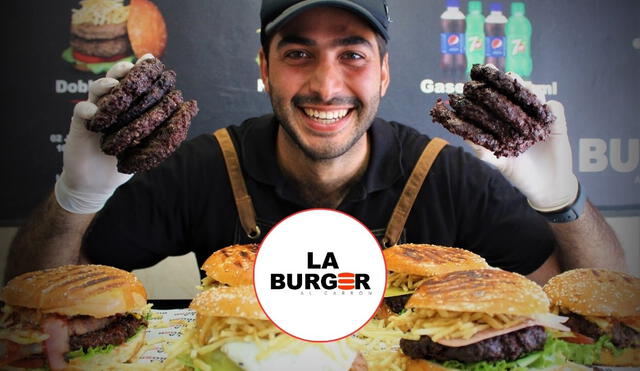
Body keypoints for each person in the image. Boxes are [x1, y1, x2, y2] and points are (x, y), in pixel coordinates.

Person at [6, 0, 625, 284]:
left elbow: (604, 302)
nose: (326, 86)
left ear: (384, 73)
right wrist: (74, 198)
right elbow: (37, 293)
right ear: (265, 69)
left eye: (352, 55)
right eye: (298, 54)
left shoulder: (444, 175)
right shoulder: (203, 168)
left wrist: (562, 200)